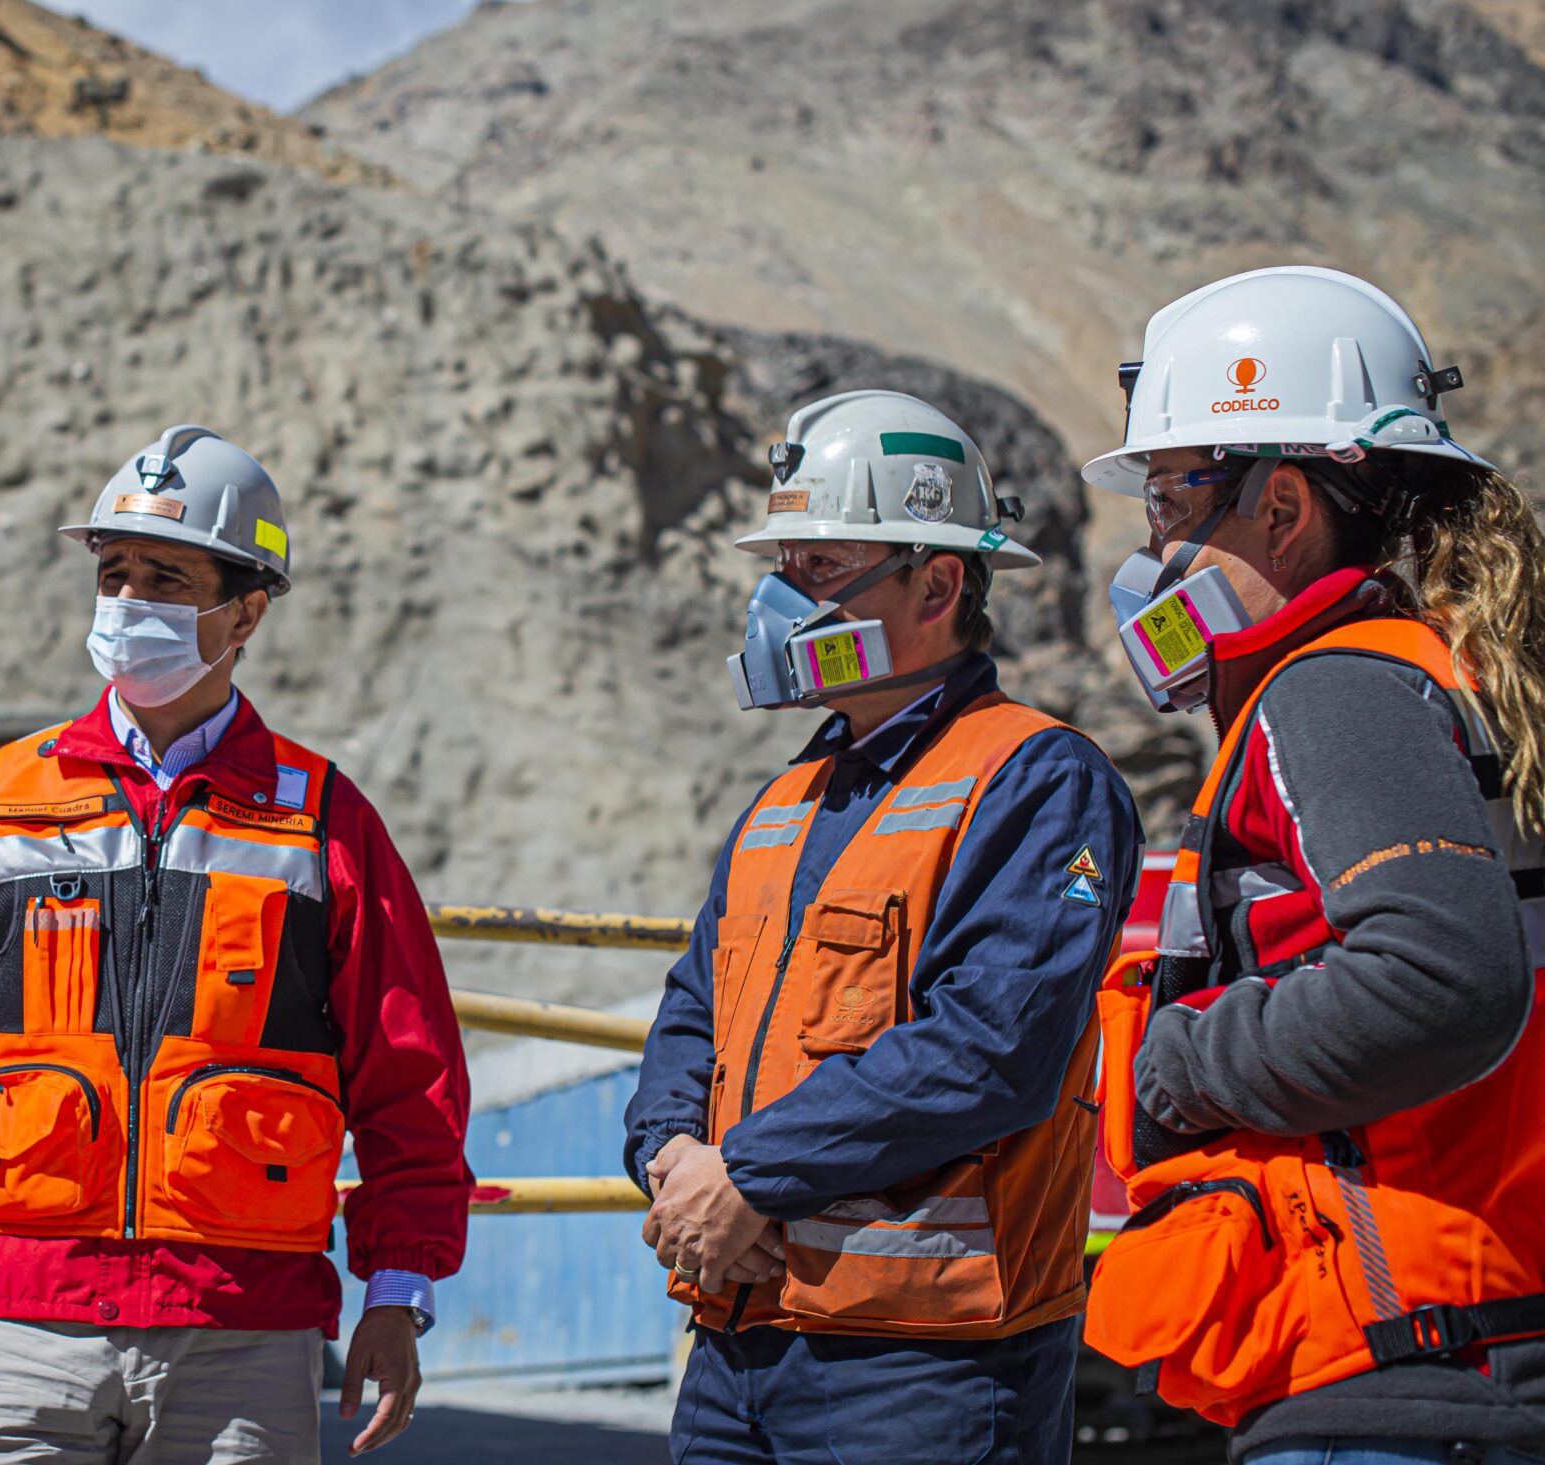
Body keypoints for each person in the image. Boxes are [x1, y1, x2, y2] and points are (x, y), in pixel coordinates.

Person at [0, 424, 472, 1463]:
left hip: (240, 1332)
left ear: (245, 611)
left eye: (164, 575)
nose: (126, 601)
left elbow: (408, 1078)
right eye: (113, 573)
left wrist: (400, 1290)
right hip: (10, 1323)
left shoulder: (323, 822)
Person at [1081, 265, 1545, 1464]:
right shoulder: (1446, 677)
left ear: (1281, 506)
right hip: (1466, 1347)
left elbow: (1437, 976)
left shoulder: (1333, 692)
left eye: (1173, 497)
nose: (1149, 548)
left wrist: (1167, 1063)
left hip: (1394, 1372)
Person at [624, 390, 1142, 1464]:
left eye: (820, 566)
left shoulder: (1037, 779)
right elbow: (693, 1010)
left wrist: (749, 1174)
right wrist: (672, 1157)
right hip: (737, 1339)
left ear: (938, 581)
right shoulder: (785, 799)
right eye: (783, 564)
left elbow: (990, 1049)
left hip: (928, 1367)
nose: (781, 595)